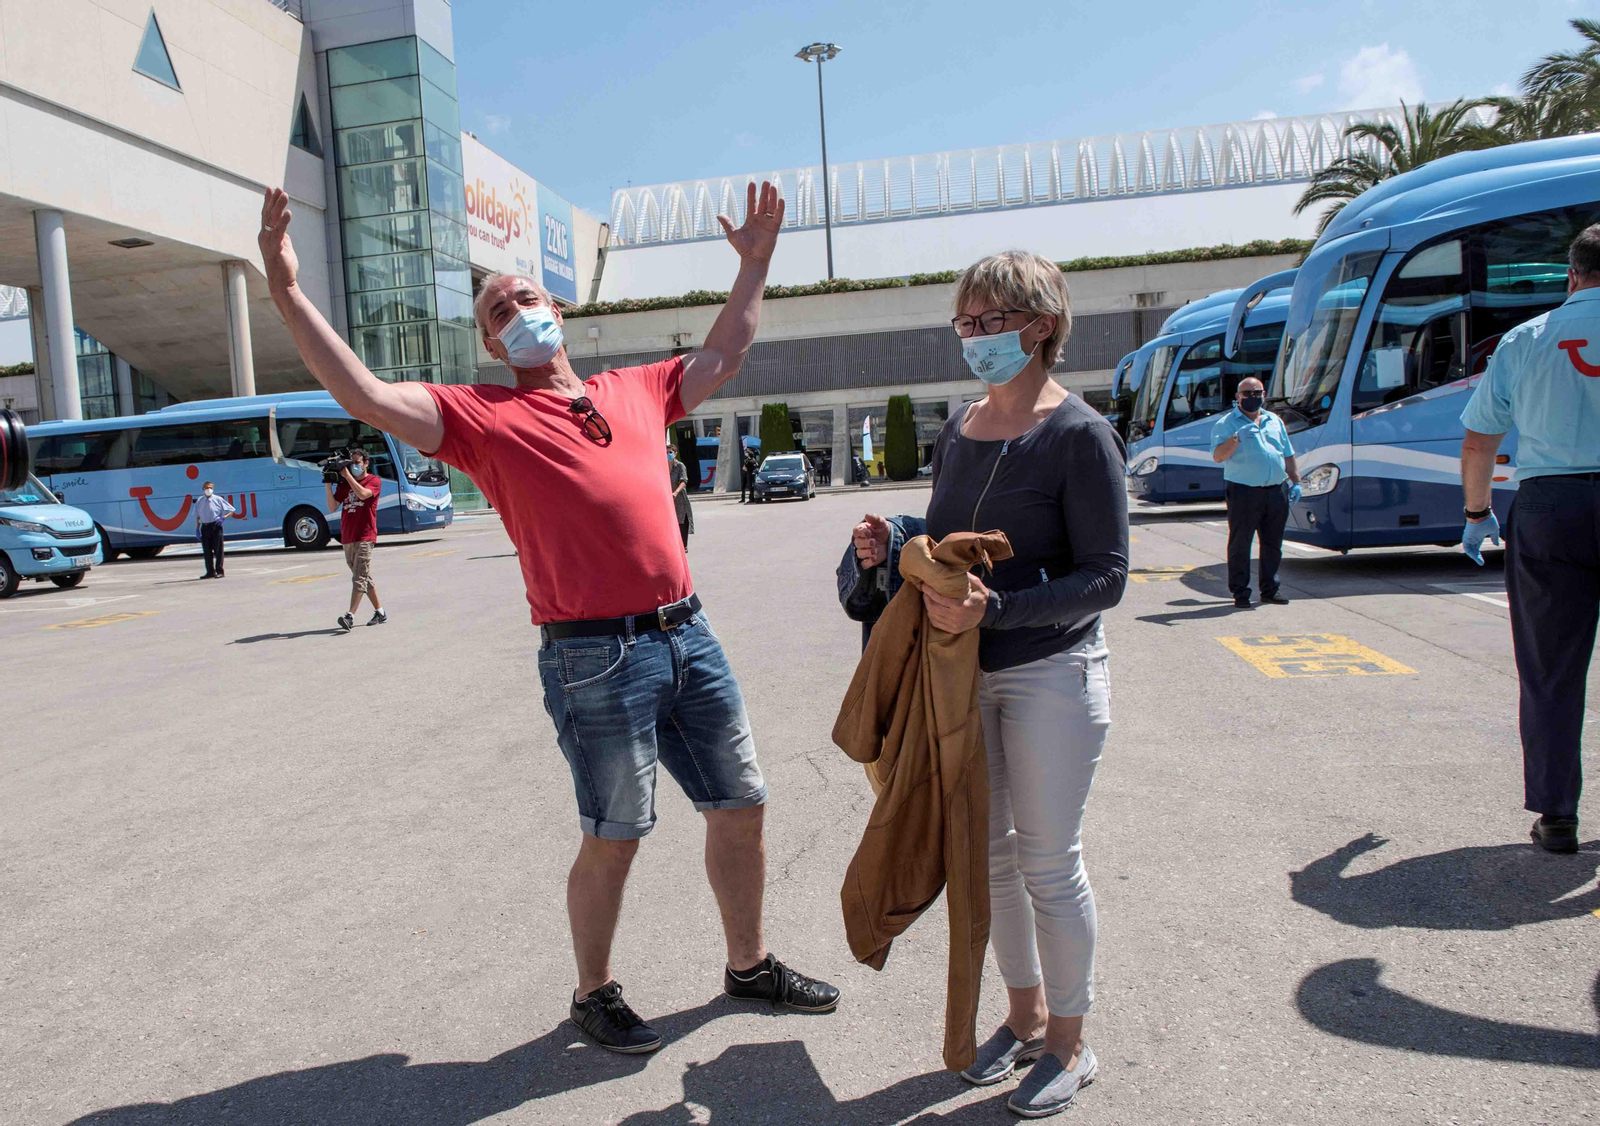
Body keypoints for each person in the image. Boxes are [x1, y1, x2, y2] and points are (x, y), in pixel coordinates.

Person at [257, 180, 837, 1056]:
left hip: (690, 634)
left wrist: (754, 266)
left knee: (742, 804)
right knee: (615, 835)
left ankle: (747, 965)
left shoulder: (635, 387)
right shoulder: (478, 418)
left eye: (525, 296)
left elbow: (725, 351)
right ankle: (593, 993)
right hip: (594, 658)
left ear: (555, 307)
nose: (517, 311)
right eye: (498, 311)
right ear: (490, 342)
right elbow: (367, 394)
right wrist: (287, 288)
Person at [853, 250, 1128, 1117]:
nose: (973, 340)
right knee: (993, 863)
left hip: (1052, 674)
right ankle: (1023, 1016)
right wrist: (893, 537)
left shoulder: (1080, 434)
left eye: (989, 324)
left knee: (1048, 861)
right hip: (962, 678)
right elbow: (950, 536)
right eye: (964, 324)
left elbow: (1106, 577)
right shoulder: (961, 429)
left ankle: (1071, 1045)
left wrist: (996, 612)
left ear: (1040, 326)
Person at [1459, 222, 1600, 856]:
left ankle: (1557, 815)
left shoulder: (1525, 340)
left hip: (1550, 506)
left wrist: (1476, 511)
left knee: (1549, 669)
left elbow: (1479, 440)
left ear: (1572, 275)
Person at [1210, 377, 1301, 608]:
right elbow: (1218, 456)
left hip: (1275, 489)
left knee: (1272, 544)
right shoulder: (1226, 424)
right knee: (1241, 544)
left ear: (1264, 394)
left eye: (1257, 393)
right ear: (1238, 397)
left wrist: (1296, 482)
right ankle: (1240, 593)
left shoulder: (1274, 420)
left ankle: (1270, 590)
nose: (1253, 397)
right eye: (1247, 393)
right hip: (1244, 491)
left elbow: (1287, 454)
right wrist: (1236, 438)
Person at [326, 447, 385, 631]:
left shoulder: (374, 481)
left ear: (366, 463)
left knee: (359, 577)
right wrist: (328, 483)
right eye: (352, 464)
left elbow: (363, 494)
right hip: (348, 537)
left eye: (357, 463)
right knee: (363, 576)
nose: (354, 467)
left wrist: (348, 476)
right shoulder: (344, 484)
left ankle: (349, 616)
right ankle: (380, 612)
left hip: (365, 536)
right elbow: (332, 506)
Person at [193, 481, 234, 578]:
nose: (208, 490)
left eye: (210, 488)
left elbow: (231, 510)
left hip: (215, 526)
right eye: (207, 488)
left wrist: (224, 517)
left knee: (218, 550)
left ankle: (219, 571)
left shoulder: (218, 499)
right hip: (205, 527)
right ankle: (210, 572)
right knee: (207, 551)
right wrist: (197, 529)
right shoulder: (200, 500)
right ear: (203, 489)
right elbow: (198, 516)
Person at [668, 445, 693, 549]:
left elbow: (684, 481)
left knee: (681, 520)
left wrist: (675, 492)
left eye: (670, 452)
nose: (668, 454)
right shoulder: (662, 466)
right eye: (666, 452)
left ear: (675, 453)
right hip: (667, 498)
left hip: (678, 497)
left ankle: (683, 546)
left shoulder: (680, 466)